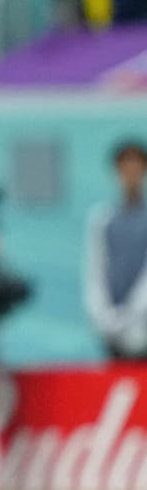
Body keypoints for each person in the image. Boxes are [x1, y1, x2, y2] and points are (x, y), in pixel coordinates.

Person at [84, 139, 147, 360]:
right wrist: (105, 315)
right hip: (112, 328)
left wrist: (134, 313)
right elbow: (95, 269)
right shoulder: (103, 219)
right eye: (125, 168)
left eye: (136, 168)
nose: (131, 175)